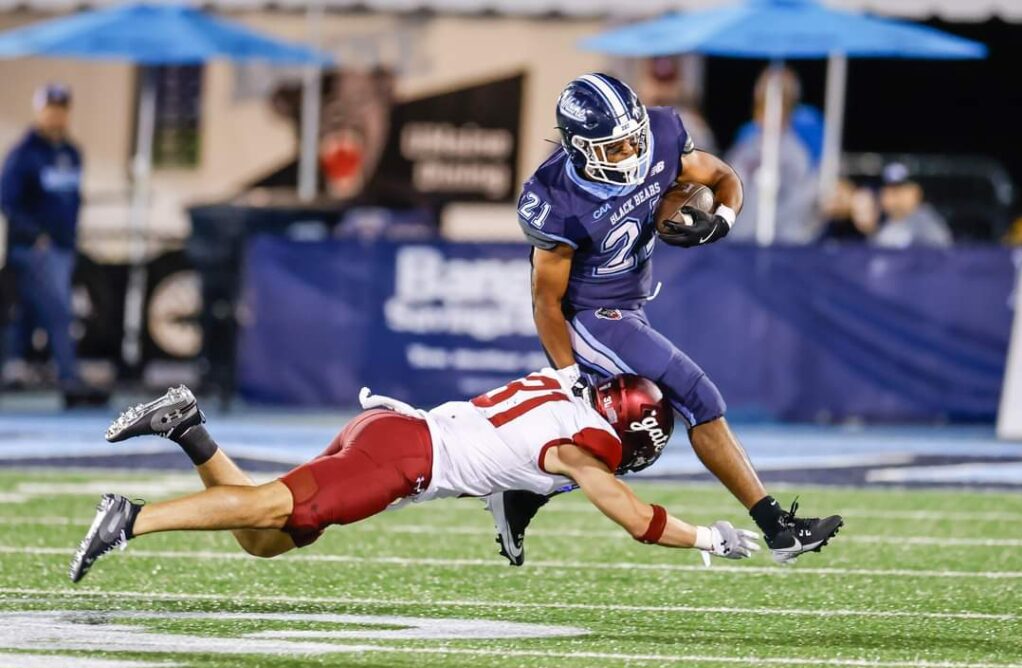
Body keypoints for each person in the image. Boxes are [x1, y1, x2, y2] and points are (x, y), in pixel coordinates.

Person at [487, 72, 843, 567]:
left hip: (629, 305)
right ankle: (776, 527)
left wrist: (723, 219)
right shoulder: (555, 197)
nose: (631, 154)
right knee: (696, 396)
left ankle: (522, 493)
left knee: (631, 432)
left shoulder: (662, 135)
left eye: (633, 140)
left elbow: (723, 178)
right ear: (579, 148)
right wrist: (568, 376)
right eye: (614, 148)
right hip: (589, 315)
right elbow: (547, 301)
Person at [69, 373, 761, 583]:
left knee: (264, 538)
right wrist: (712, 535)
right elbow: (636, 519)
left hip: (393, 431)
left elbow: (515, 475)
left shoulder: (566, 385)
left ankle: (188, 424)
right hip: (402, 457)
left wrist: (511, 514)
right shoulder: (581, 449)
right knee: (269, 502)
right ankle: (130, 517)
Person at [0, 83, 100, 404]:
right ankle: (69, 375)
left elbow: (70, 200)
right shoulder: (25, 154)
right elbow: (7, 200)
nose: (56, 115)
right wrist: (35, 235)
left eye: (61, 108)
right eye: (50, 108)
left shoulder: (71, 153)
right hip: (34, 248)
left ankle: (14, 367)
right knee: (59, 309)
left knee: (30, 309)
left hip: (62, 245)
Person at [725, 67, 820, 244]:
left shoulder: (797, 154)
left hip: (782, 249)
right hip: (739, 246)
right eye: (762, 106)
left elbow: (803, 206)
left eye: (779, 105)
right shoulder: (745, 147)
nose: (766, 115)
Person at [861, 162, 952, 248]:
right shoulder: (880, 222)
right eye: (889, 190)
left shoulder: (926, 221)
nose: (894, 197)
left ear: (916, 192)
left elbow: (942, 254)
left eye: (900, 190)